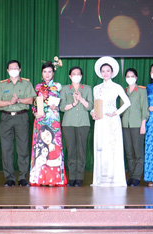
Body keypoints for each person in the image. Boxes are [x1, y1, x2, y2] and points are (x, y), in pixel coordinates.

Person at [0, 60, 36, 187]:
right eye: (11, 68)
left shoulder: (26, 83)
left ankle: (23, 177)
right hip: (6, 118)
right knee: (6, 149)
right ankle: (9, 178)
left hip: (21, 117)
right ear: (7, 70)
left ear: (20, 69)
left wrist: (18, 100)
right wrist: (9, 102)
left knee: (23, 148)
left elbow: (31, 100)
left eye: (16, 68)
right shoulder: (2, 85)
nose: (13, 70)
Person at [91, 57, 130, 186]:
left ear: (112, 72)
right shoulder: (96, 88)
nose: (105, 73)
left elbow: (127, 102)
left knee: (112, 148)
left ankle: (114, 178)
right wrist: (93, 113)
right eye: (103, 71)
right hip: (100, 121)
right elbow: (95, 105)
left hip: (112, 121)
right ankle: (101, 178)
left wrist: (116, 113)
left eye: (108, 71)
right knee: (101, 147)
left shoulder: (117, 87)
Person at [29, 62, 66, 186]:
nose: (47, 74)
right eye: (45, 72)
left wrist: (57, 107)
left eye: (49, 72)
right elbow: (34, 104)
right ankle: (39, 178)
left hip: (53, 119)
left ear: (53, 73)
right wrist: (35, 113)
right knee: (40, 147)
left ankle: (54, 178)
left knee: (54, 146)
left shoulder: (58, 87)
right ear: (42, 73)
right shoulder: (37, 87)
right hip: (40, 120)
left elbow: (63, 103)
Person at [60, 66, 93, 187]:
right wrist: (74, 103)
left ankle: (79, 178)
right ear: (70, 76)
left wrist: (81, 99)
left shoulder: (87, 89)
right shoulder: (65, 89)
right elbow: (61, 107)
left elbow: (90, 106)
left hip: (83, 124)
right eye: (74, 74)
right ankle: (72, 177)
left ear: (81, 76)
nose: (76, 76)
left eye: (78, 74)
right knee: (71, 151)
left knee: (81, 151)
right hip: (68, 124)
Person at [121, 68, 148, 186]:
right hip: (125, 125)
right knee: (129, 152)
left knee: (138, 153)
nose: (130, 78)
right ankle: (131, 176)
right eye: (128, 76)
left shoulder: (141, 91)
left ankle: (137, 177)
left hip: (137, 124)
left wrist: (143, 124)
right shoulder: (124, 91)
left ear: (136, 77)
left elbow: (144, 108)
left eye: (132, 76)